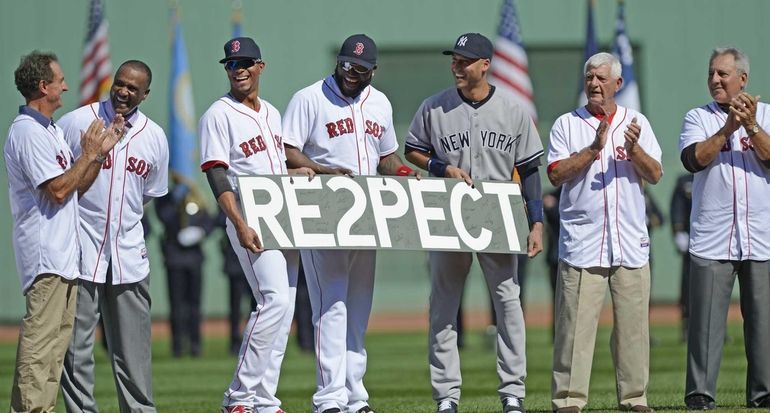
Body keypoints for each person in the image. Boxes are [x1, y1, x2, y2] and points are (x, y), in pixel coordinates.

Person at [404, 32, 543, 413]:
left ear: (486, 65)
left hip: (499, 213)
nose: (457, 66)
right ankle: (446, 396)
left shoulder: (513, 110)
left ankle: (512, 391)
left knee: (508, 304)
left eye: (465, 61)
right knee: (444, 307)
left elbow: (530, 170)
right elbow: (413, 150)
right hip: (450, 213)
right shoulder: (435, 107)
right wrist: (441, 167)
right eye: (455, 59)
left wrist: (536, 222)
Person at [283, 33, 418, 413]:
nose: (350, 73)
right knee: (331, 306)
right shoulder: (309, 98)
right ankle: (329, 399)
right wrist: (323, 169)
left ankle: (355, 396)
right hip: (321, 211)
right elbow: (288, 150)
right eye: (345, 65)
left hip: (367, 213)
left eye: (359, 69)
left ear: (373, 71)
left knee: (358, 308)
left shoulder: (380, 103)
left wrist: (405, 171)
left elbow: (387, 156)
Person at [199, 36, 313, 413]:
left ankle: (264, 399)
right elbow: (217, 174)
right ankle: (239, 396)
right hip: (248, 216)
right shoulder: (219, 114)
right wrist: (239, 223)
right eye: (232, 64)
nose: (239, 69)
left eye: (246, 62)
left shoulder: (272, 113)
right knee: (274, 300)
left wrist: (303, 171)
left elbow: (274, 169)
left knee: (284, 309)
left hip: (282, 217)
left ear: (260, 66)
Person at [5, 50, 121, 413]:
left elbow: (74, 187)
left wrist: (99, 154)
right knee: (40, 349)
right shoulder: (27, 132)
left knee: (54, 352)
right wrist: (85, 156)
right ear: (43, 86)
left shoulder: (50, 131)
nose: (66, 86)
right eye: (59, 80)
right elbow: (56, 190)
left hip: (64, 257)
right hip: (46, 257)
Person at [547, 52, 662, 413]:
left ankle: (634, 398)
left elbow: (655, 173)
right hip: (583, 242)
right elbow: (555, 173)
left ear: (618, 83)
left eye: (600, 78)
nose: (594, 84)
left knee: (632, 331)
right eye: (589, 78)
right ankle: (569, 400)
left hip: (628, 242)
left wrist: (634, 149)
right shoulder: (568, 123)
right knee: (574, 332)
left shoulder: (636, 121)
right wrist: (594, 148)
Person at [58, 60, 169, 413]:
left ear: (145, 94)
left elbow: (148, 195)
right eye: (120, 84)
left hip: (127, 254)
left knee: (134, 353)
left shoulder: (154, 136)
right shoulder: (77, 121)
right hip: (80, 248)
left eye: (132, 88)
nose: (123, 91)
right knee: (76, 351)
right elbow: (56, 179)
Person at [679, 47, 770, 410]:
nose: (715, 80)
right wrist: (727, 128)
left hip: (761, 236)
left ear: (743, 79)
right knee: (705, 325)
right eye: (712, 73)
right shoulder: (697, 117)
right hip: (713, 236)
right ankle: (700, 394)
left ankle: (763, 394)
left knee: (763, 325)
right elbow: (694, 160)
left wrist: (750, 125)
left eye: (723, 74)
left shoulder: (765, 115)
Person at [156, 177, 215, 358]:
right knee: (177, 305)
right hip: (175, 258)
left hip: (194, 258)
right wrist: (175, 198)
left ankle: (195, 344)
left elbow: (208, 221)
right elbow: (164, 216)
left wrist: (201, 232)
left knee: (194, 305)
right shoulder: (167, 199)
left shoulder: (197, 196)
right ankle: (178, 346)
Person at [669, 173, 693, 343]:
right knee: (689, 283)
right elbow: (677, 207)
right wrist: (678, 231)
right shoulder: (685, 182)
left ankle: (717, 330)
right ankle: (686, 325)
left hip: (716, 240)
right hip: (692, 239)